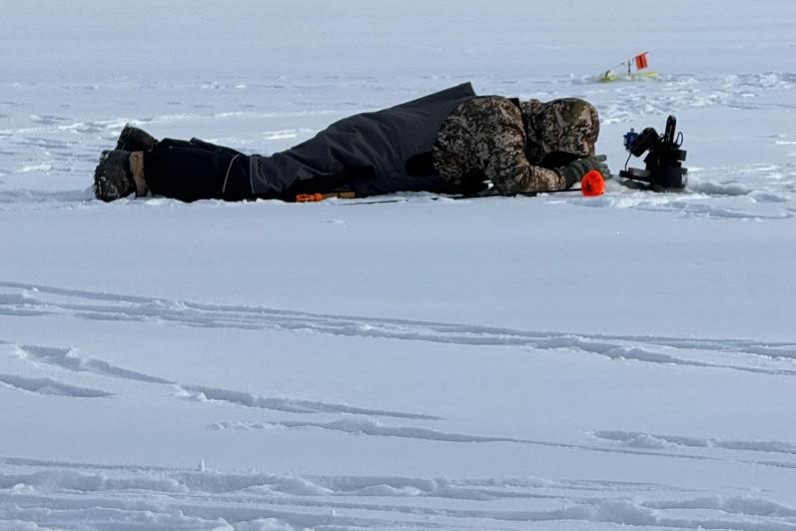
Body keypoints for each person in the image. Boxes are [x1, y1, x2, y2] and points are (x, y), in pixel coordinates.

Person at [93, 82, 610, 202]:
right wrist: (567, 175)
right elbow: (518, 178)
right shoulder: (501, 124)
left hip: (368, 144)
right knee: (267, 183)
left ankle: (153, 147)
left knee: (270, 169)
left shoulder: (508, 113)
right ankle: (139, 169)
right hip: (363, 153)